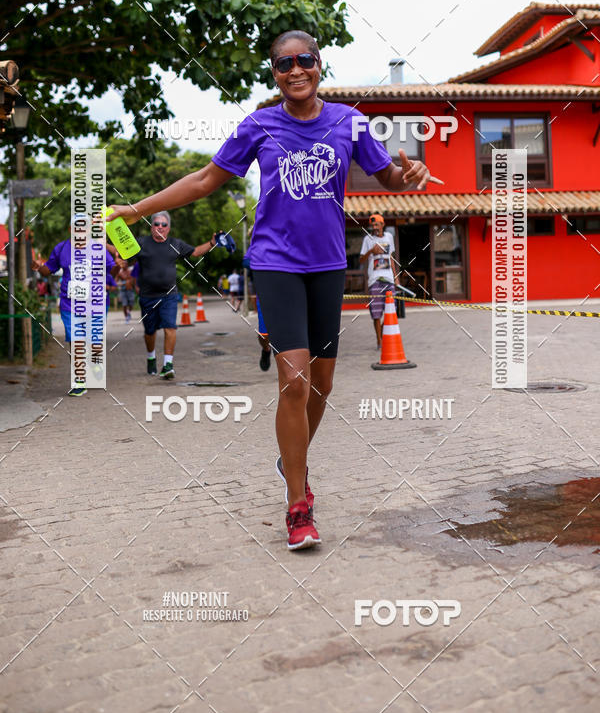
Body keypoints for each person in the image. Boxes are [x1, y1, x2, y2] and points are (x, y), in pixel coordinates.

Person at [108, 29, 430, 550]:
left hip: (327, 266)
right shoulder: (259, 125)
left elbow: (389, 177)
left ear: (319, 65)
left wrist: (408, 172)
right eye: (284, 64)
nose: (295, 70)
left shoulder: (349, 123)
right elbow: (203, 180)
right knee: (295, 381)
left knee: (323, 385)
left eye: (305, 60)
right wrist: (135, 209)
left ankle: (291, 459)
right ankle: (298, 504)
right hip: (276, 263)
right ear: (274, 73)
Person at [31, 217, 125, 396]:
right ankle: (79, 381)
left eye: (84, 227)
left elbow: (111, 272)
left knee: (94, 341)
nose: (80, 230)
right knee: (76, 342)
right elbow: (48, 269)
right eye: (77, 227)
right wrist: (38, 266)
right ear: (71, 229)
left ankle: (94, 363)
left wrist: (118, 267)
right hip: (70, 303)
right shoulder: (61, 248)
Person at [127, 211, 216, 379]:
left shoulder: (175, 244)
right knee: (149, 332)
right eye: (156, 224)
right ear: (151, 226)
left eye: (164, 224)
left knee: (170, 327)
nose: (160, 227)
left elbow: (196, 252)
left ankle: (168, 364)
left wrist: (212, 243)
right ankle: (151, 357)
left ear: (168, 228)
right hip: (147, 296)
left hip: (169, 295)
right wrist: (101, 243)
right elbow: (121, 252)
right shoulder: (141, 243)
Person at [360, 213, 400, 348]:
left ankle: (383, 334)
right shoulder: (368, 239)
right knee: (376, 312)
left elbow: (392, 258)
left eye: (377, 224)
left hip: (389, 278)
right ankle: (379, 341)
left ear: (383, 225)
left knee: (391, 310)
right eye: (372, 225)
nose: (375, 227)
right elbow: (361, 260)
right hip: (375, 279)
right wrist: (371, 251)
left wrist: (396, 278)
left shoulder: (389, 237)